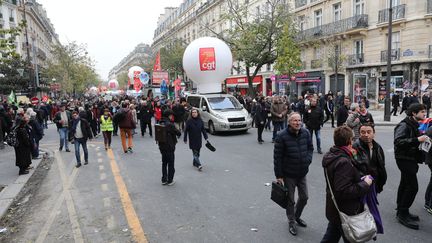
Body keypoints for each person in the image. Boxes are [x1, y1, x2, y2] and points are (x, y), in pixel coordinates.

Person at [321, 126, 373, 242]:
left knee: (331, 236)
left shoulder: (333, 154)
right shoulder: (343, 161)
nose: (354, 141)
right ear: (349, 141)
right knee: (351, 238)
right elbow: (343, 191)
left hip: (336, 208)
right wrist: (365, 184)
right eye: (353, 139)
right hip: (346, 209)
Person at [274, 112, 313, 236]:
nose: (298, 123)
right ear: (289, 122)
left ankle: (296, 216)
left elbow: (310, 148)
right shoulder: (281, 136)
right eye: (295, 121)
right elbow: (277, 157)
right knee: (290, 201)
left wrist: (308, 160)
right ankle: (291, 221)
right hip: (289, 174)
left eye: (299, 120)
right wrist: (279, 176)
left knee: (304, 197)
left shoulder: (305, 133)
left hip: (302, 172)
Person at [394, 103, 428, 230]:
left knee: (405, 183)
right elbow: (398, 142)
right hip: (404, 159)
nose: (424, 114)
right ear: (414, 113)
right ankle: (402, 213)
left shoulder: (413, 124)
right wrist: (417, 140)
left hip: (410, 158)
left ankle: (402, 210)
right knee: (413, 187)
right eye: (422, 112)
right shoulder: (404, 125)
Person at [353, 124, 387, 194]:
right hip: (361, 185)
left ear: (373, 133)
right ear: (359, 134)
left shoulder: (378, 147)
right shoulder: (355, 148)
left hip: (374, 184)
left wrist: (380, 183)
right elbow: (354, 167)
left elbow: (381, 166)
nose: (366, 135)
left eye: (369, 132)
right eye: (363, 132)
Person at [158, 109, 181, 186]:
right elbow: (178, 132)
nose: (172, 117)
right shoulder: (169, 124)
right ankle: (170, 180)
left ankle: (164, 179)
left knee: (164, 163)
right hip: (169, 146)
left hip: (162, 146)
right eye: (171, 115)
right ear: (169, 115)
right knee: (171, 164)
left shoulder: (160, 122)